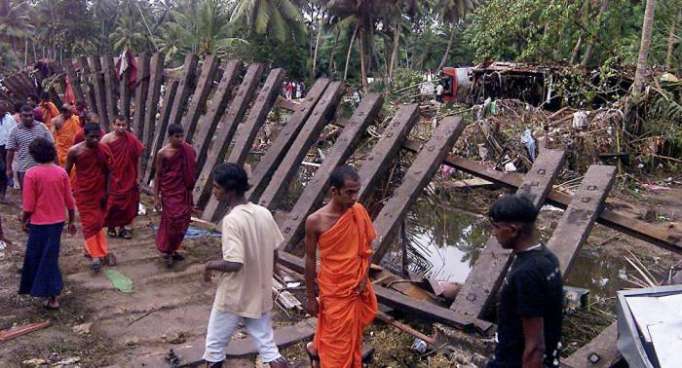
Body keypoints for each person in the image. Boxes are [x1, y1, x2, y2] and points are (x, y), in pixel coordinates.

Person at [202, 163, 289, 368]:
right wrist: (269, 273)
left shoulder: (232, 220)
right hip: (258, 290)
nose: (213, 191)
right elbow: (274, 250)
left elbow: (234, 263)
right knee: (267, 345)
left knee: (214, 346)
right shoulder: (263, 212)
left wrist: (209, 265)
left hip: (234, 294)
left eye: (216, 187)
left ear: (229, 190)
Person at [304, 165, 377, 368]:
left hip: (355, 286)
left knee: (347, 332)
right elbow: (310, 259)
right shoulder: (315, 221)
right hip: (333, 287)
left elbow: (368, 247)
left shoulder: (359, 212)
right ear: (334, 191)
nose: (354, 197)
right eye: (349, 192)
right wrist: (311, 297)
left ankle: (315, 349)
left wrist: (363, 277)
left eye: (357, 191)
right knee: (337, 336)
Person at [486, 194, 563, 368]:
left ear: (513, 230)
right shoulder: (547, 257)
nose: (494, 233)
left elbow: (535, 346)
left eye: (497, 227)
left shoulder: (526, 274)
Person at [19, 138, 76, 310]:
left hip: (39, 223)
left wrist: (24, 220)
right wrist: (71, 221)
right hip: (57, 222)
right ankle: (50, 293)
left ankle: (50, 295)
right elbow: (69, 201)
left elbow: (28, 205)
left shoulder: (32, 174)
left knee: (38, 257)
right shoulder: (61, 173)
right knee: (50, 257)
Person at [65, 123, 114, 273]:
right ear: (84, 136)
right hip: (83, 192)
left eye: (97, 137)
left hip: (100, 191)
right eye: (91, 137)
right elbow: (65, 172)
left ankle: (96, 250)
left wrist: (107, 191)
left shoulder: (103, 149)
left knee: (99, 222)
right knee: (89, 224)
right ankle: (95, 256)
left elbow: (109, 172)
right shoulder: (74, 151)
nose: (95, 140)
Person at [153, 123, 196, 267]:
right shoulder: (163, 153)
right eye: (176, 137)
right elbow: (158, 175)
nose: (180, 139)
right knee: (172, 222)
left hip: (183, 191)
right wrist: (156, 197)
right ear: (170, 137)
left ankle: (173, 249)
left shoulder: (188, 150)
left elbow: (190, 170)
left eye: (181, 136)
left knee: (183, 222)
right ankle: (167, 251)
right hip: (170, 191)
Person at [102, 115, 144, 239]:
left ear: (127, 125)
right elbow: (100, 157)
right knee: (112, 203)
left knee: (128, 204)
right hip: (113, 176)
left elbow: (138, 158)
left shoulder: (131, 139)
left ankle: (125, 228)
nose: (121, 128)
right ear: (113, 125)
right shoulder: (106, 139)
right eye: (118, 125)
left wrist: (138, 177)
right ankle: (111, 226)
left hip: (128, 176)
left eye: (123, 125)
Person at [6, 105, 54, 189]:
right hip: (25, 169)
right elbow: (10, 151)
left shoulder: (41, 127)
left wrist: (55, 164)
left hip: (43, 167)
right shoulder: (15, 131)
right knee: (27, 195)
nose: (29, 118)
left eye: (31, 115)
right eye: (25, 116)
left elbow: (51, 146)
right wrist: (9, 168)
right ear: (20, 116)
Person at [0, 102, 17, 202]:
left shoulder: (9, 119)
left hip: (6, 147)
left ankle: (3, 193)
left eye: (2, 110)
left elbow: (13, 132)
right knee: (1, 168)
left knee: (5, 169)